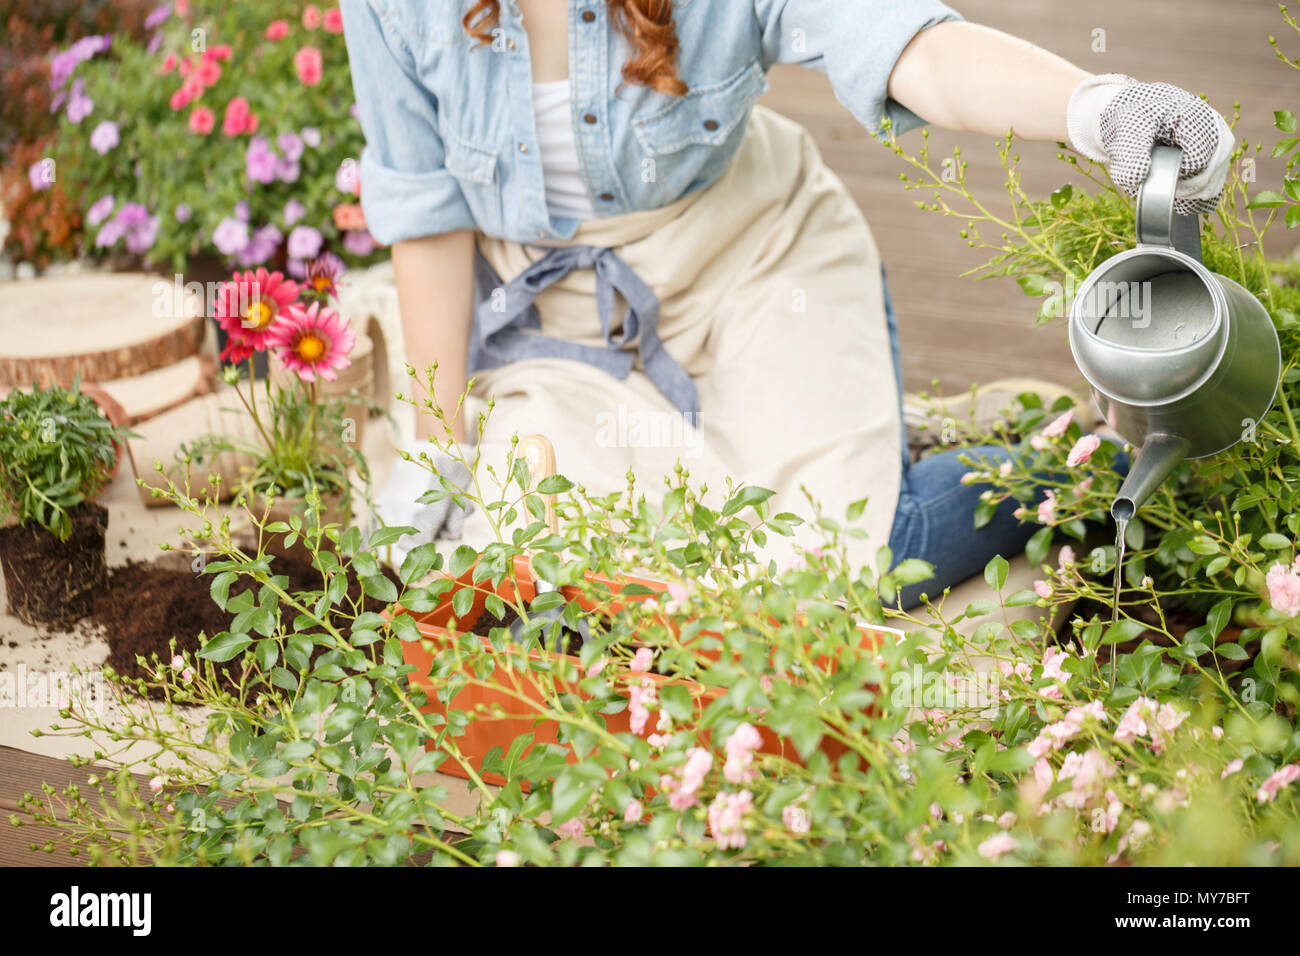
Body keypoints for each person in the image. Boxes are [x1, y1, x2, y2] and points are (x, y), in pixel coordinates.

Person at [339, 0, 1232, 603]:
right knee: (543, 575)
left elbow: (903, 41)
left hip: (755, 261)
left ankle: (1077, 470)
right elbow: (426, 210)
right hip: (559, 325)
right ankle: (909, 431)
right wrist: (435, 441)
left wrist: (1098, 107)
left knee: (852, 565)